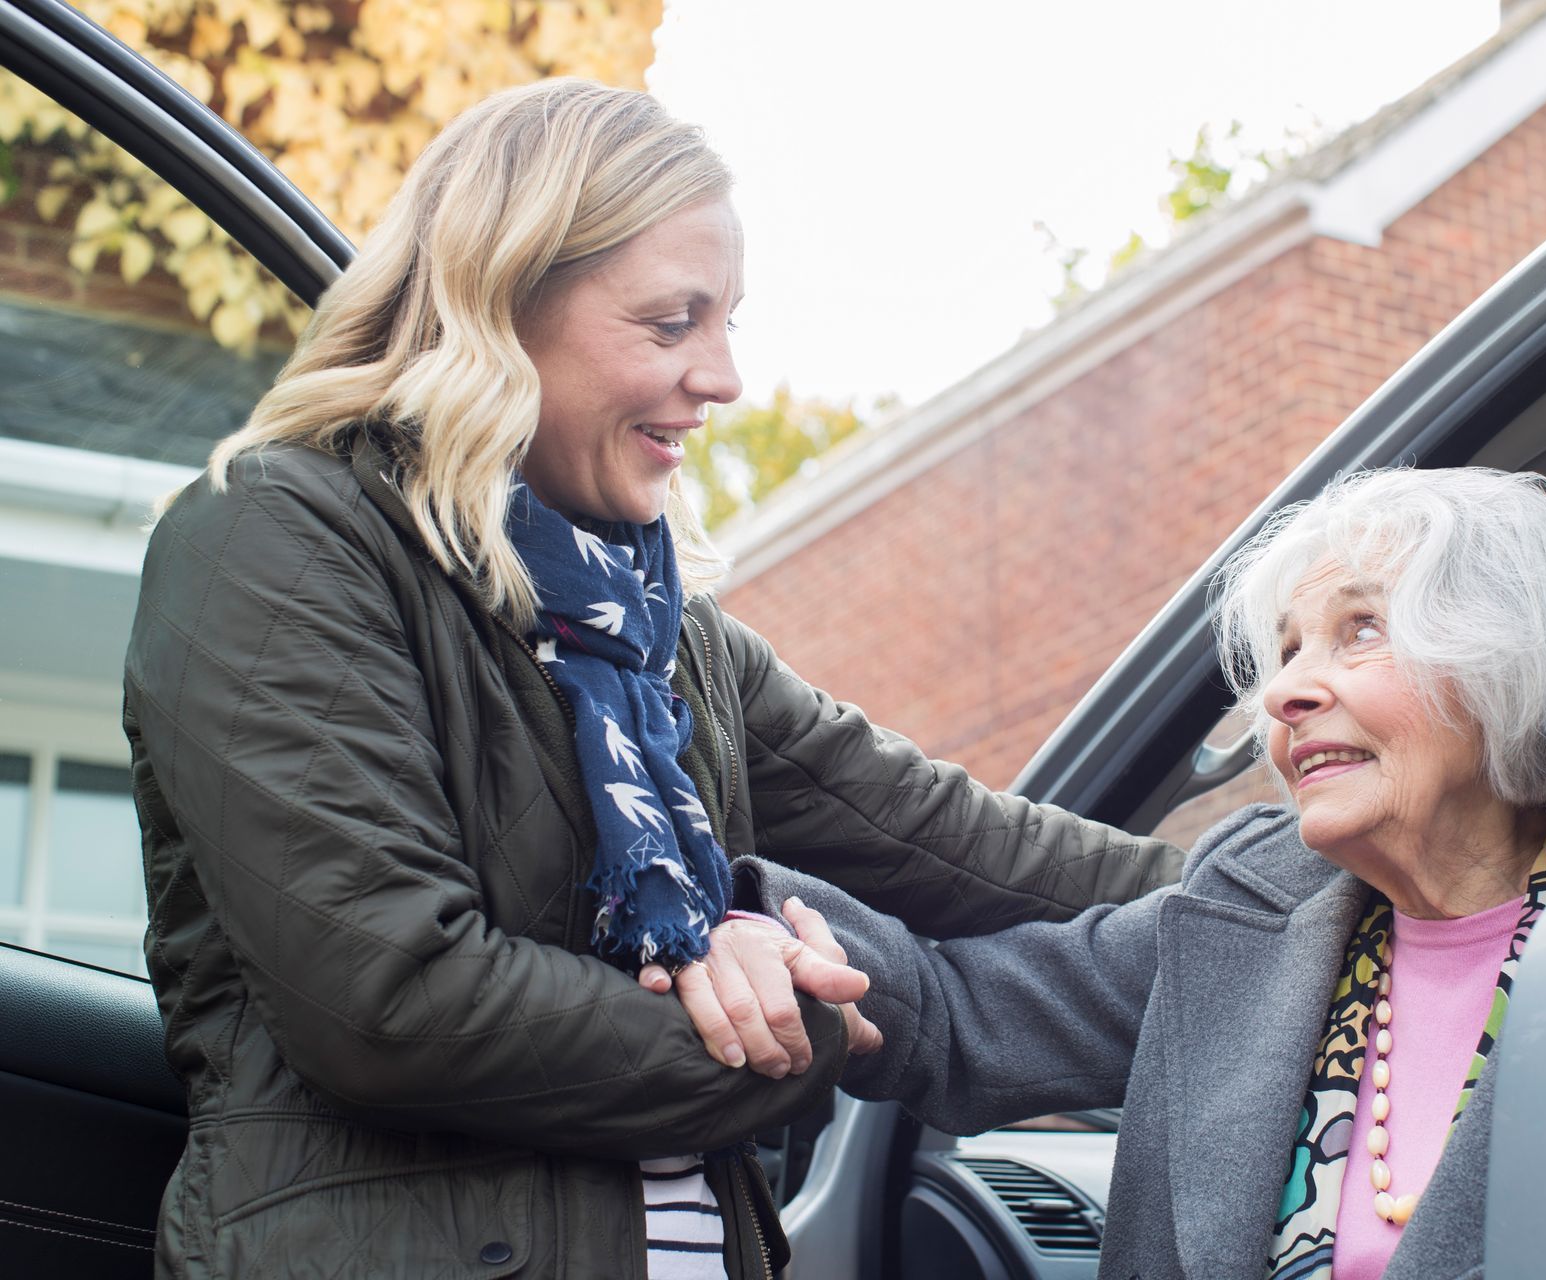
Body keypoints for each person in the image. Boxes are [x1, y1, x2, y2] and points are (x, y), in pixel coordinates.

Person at [122, 79, 1181, 1280]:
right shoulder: (276, 539)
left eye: (728, 320)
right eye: (672, 323)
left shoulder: (660, 633)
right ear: (502, 306)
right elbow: (395, 1000)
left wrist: (1328, 894)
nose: (724, 376)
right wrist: (810, 1024)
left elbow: (959, 847)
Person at [710, 467, 1546, 1280]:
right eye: (1289, 648)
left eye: (1361, 630)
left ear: (1517, 661)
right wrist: (749, 927)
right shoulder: (1253, 902)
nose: (1290, 689)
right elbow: (964, 1015)